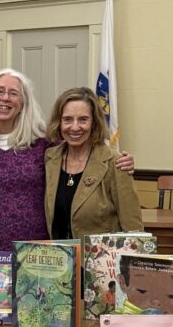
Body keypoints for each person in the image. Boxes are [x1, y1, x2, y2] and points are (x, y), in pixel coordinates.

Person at [0, 70, 134, 251]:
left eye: (13, 93)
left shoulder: (44, 143)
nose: (5, 98)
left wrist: (120, 161)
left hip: (38, 248)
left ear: (24, 102)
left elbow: (81, 145)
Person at [43, 86, 142, 240]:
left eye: (83, 119)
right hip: (59, 260)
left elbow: (133, 230)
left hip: (100, 261)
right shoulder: (49, 159)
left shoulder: (115, 163)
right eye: (67, 119)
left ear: (94, 122)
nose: (75, 127)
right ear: (59, 122)